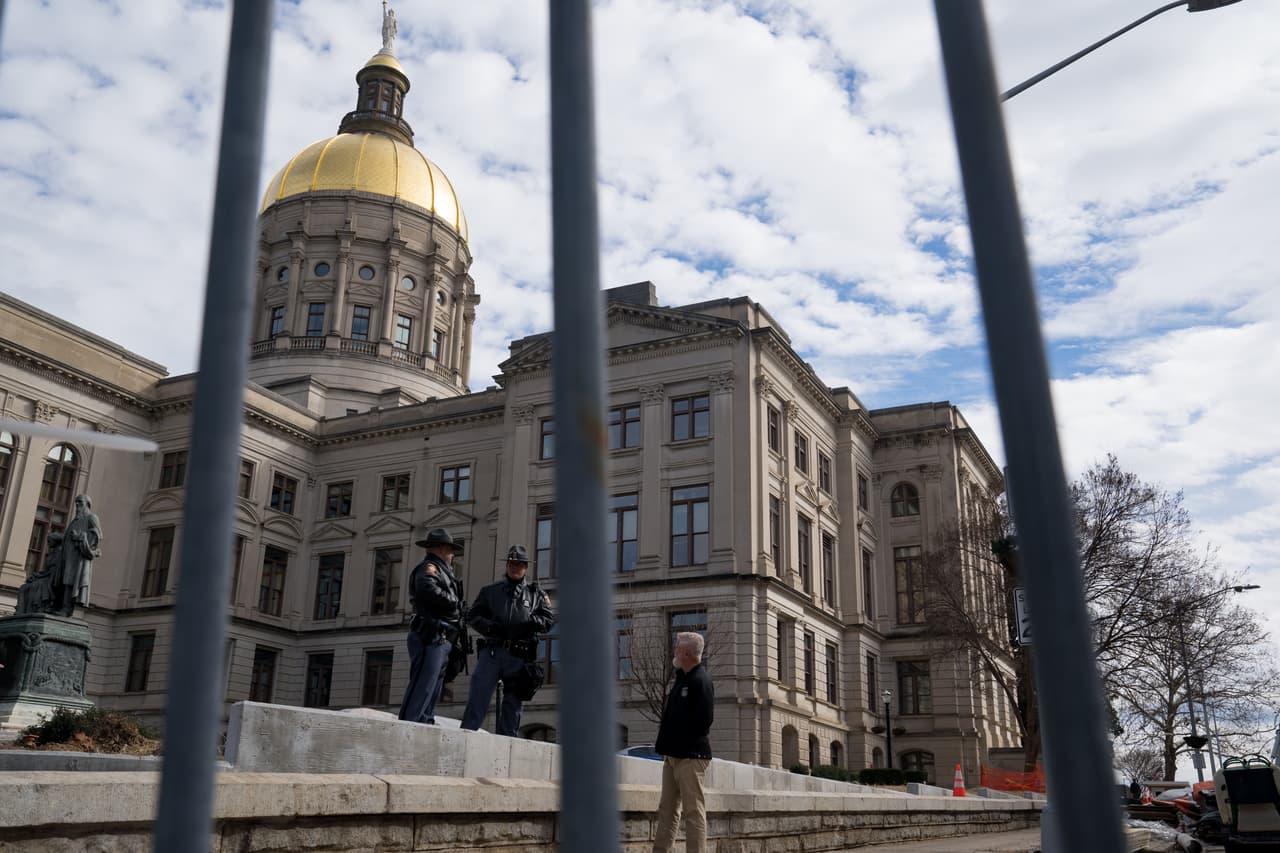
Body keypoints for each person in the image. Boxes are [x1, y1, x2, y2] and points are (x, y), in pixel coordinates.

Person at [460, 544, 555, 736]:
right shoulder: (490, 591)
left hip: (519, 654)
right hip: (493, 651)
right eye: (511, 563)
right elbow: (472, 615)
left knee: (513, 701)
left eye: (518, 564)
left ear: (525, 567)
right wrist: (489, 627)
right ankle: (467, 734)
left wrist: (529, 623)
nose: (514, 567)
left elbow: (548, 621)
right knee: (479, 692)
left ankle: (508, 739)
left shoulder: (536, 593)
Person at [653, 631, 714, 853]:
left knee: (693, 812)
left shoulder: (700, 680)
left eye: (678, 648)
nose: (675, 651)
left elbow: (704, 721)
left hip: (691, 757)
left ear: (686, 653)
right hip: (672, 756)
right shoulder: (681, 679)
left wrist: (680, 740)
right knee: (667, 810)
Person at [397, 527, 465, 725]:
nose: (452, 555)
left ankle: (425, 720)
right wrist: (455, 602)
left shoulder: (442, 570)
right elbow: (428, 590)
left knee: (434, 683)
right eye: (450, 550)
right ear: (442, 549)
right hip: (431, 634)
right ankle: (412, 723)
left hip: (441, 636)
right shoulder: (430, 567)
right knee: (424, 683)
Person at [57, 495, 102, 616]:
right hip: (68, 556)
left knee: (71, 581)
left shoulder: (91, 517)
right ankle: (61, 606)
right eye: (76, 502)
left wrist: (79, 537)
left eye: (80, 502)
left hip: (79, 556)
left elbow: (97, 536)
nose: (77, 504)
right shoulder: (75, 521)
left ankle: (67, 608)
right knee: (65, 580)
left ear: (88, 504)